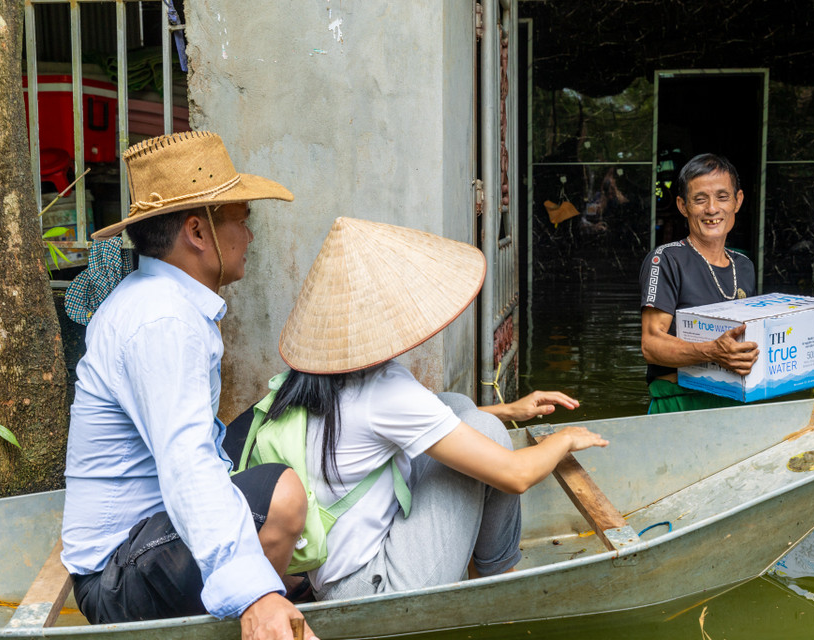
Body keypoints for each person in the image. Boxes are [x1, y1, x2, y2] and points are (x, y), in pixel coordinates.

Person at [237, 217, 608, 601]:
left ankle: (481, 565)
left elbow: (424, 419)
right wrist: (564, 439)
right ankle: (499, 579)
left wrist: (512, 408)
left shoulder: (314, 374)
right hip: (372, 587)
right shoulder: (383, 391)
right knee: (487, 431)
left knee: (459, 406)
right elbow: (516, 475)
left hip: (331, 567)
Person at [60, 131, 319, 640]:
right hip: (116, 575)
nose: (249, 236)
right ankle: (259, 610)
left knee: (284, 412)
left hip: (145, 537)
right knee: (284, 495)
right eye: (242, 221)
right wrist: (256, 591)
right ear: (198, 233)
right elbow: (185, 461)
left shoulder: (161, 301)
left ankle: (270, 578)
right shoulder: (163, 321)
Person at [638, 153, 760, 414]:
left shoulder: (744, 266)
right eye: (700, 199)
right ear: (683, 205)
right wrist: (712, 351)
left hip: (734, 403)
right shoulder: (666, 259)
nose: (712, 209)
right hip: (678, 402)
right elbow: (651, 344)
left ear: (737, 200)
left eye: (722, 197)